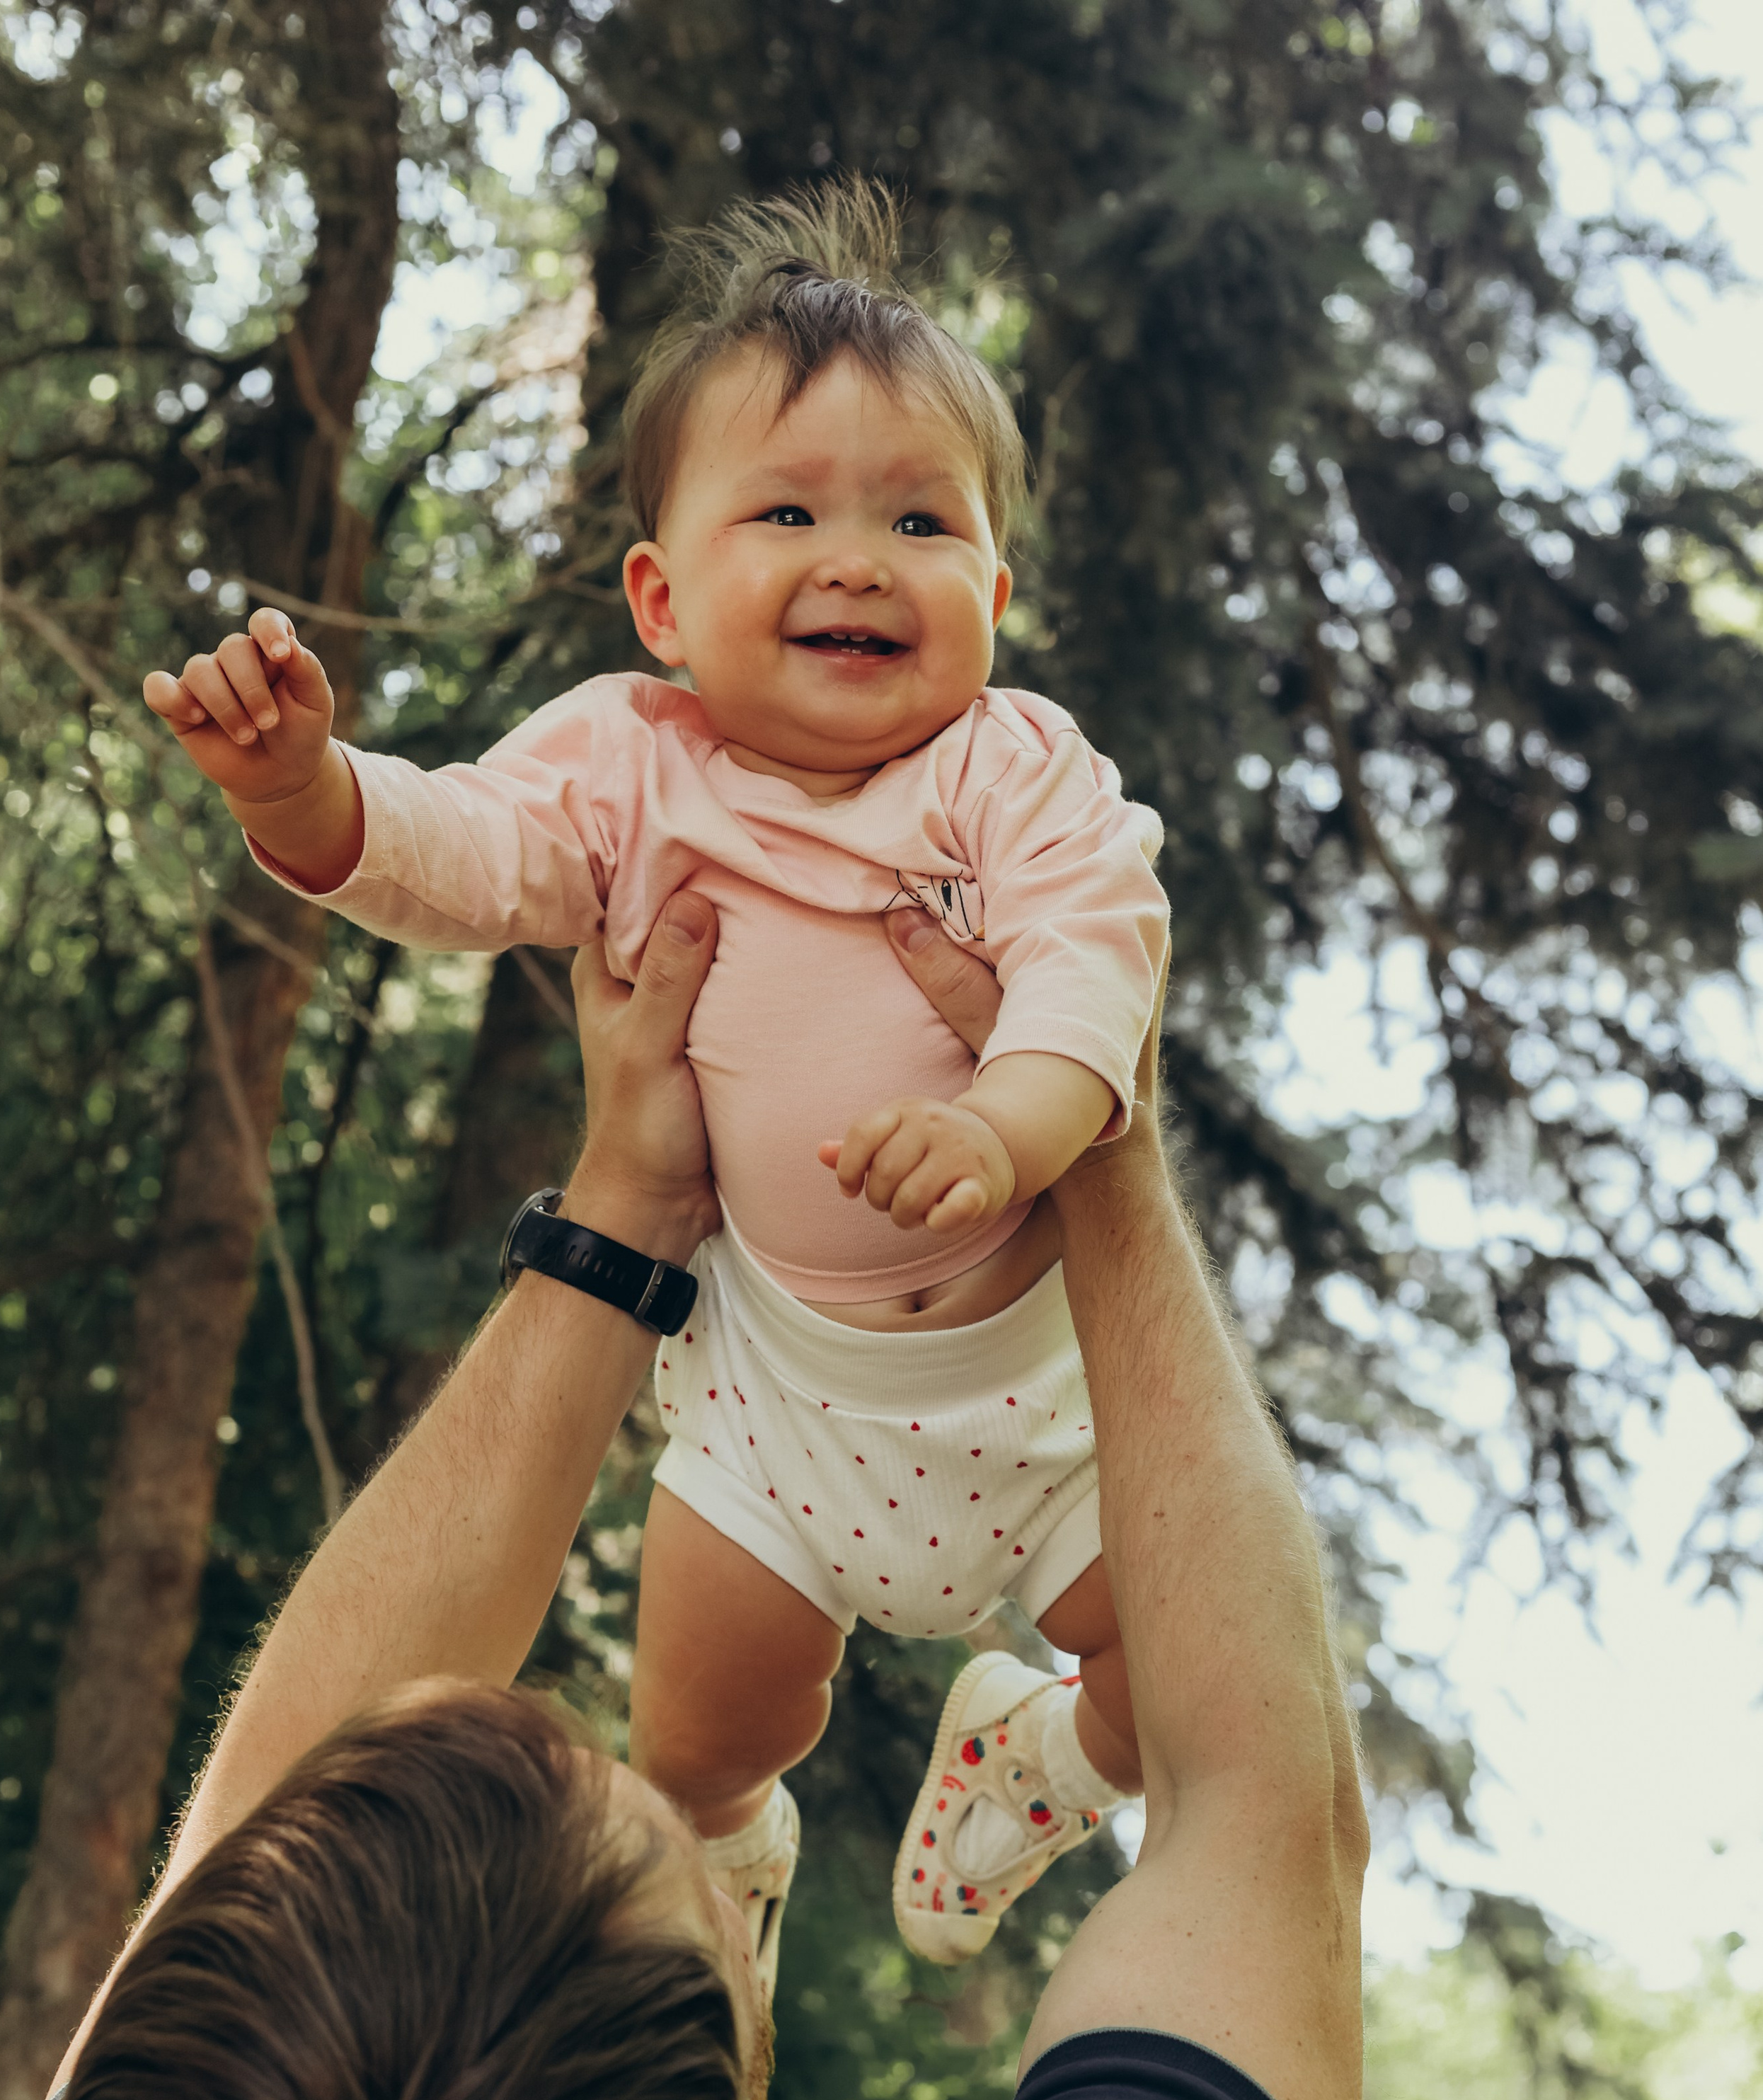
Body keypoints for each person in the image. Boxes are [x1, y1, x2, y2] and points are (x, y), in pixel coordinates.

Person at [0, 891, 1366, 2100]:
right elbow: (1265, 1808)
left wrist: (631, 1194)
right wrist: (1095, 1124)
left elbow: (252, 1826)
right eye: (678, 1850)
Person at [140, 181, 1172, 1985]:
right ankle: (730, 1863)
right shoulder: (633, 767)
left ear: (994, 594)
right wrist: (298, 792)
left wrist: (1004, 1123)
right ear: (662, 597)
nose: (855, 558)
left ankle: (1042, 1758)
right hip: (782, 1406)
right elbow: (459, 855)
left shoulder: (1012, 770)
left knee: (1184, 1683)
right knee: (694, 1745)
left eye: (919, 522)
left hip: (1035, 1396)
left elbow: (1097, 954)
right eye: (786, 509)